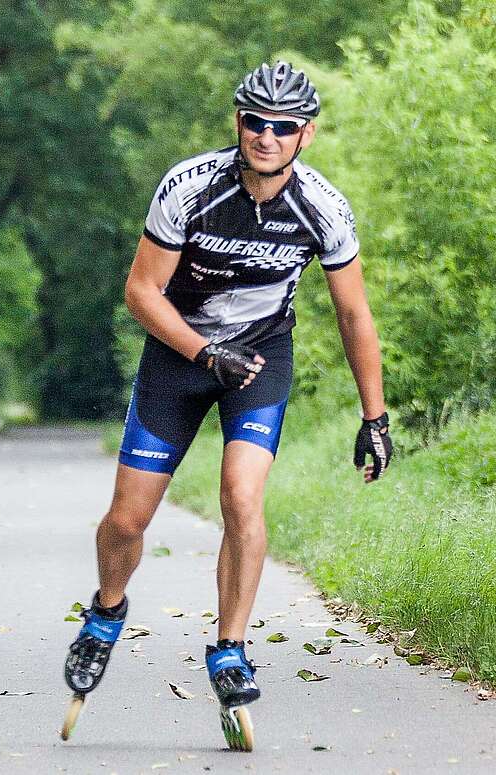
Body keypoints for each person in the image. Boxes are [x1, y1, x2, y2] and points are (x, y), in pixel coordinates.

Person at [61, 61, 392, 749]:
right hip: (179, 360)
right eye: (254, 121)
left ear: (306, 132)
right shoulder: (189, 187)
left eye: (282, 126)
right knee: (127, 518)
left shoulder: (324, 207)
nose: (266, 136)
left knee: (242, 499)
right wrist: (206, 353)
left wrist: (375, 416)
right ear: (236, 121)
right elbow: (141, 293)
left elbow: (355, 315)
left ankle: (231, 648)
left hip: (261, 365)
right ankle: (106, 611)